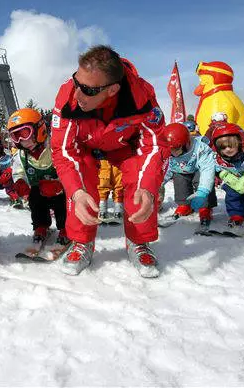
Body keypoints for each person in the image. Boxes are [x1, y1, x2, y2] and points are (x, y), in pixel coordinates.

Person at [50, 45, 168, 278]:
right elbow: (63, 150)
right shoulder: (68, 96)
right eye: (76, 82)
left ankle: (139, 242)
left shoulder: (141, 97)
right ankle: (81, 241)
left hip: (124, 146)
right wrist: (75, 191)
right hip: (85, 145)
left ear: (113, 89)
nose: (77, 94)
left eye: (88, 90)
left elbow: (154, 145)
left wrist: (148, 187)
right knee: (79, 177)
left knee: (141, 182)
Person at [7, 108, 68, 246]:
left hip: (61, 191)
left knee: (62, 203)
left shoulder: (55, 148)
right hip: (40, 190)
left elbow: (69, 169)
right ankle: (41, 225)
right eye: (16, 136)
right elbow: (18, 171)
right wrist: (20, 182)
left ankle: (65, 227)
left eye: (25, 133)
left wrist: (58, 183)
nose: (23, 140)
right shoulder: (22, 155)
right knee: (35, 198)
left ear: (39, 129)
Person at [160, 123, 217, 230]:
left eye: (176, 149)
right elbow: (166, 169)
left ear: (186, 144)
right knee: (179, 179)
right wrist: (158, 184)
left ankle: (205, 208)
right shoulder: (169, 154)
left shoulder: (201, 148)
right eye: (170, 149)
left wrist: (203, 192)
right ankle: (184, 205)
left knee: (200, 179)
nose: (173, 153)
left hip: (199, 170)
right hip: (182, 170)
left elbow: (207, 170)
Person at [210, 122, 244, 236]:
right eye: (223, 148)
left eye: (231, 145)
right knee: (231, 192)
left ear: (240, 142)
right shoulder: (220, 159)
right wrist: (223, 174)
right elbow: (216, 169)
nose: (227, 150)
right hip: (235, 180)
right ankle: (236, 214)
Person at [0, 133, 23, 208]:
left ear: (0, 148)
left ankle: (14, 197)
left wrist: (8, 171)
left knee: (9, 177)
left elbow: (14, 166)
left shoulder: (7, 158)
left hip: (5, 181)